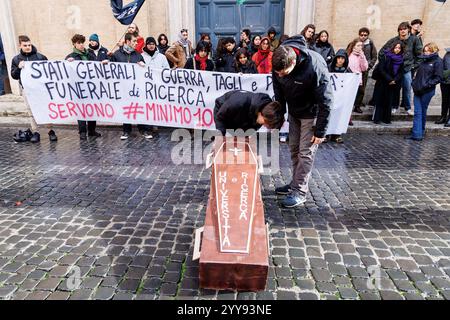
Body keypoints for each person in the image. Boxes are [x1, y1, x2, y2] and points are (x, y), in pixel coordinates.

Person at [272, 35, 333, 208]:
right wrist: (280, 113)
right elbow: (278, 88)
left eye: (283, 73)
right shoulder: (278, 59)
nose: (279, 76)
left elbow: (326, 100)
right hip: (294, 111)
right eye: (278, 73)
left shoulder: (315, 65)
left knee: (305, 153)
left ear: (293, 63)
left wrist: (320, 130)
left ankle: (299, 191)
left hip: (310, 113)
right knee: (293, 148)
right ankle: (294, 183)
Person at [11, 35, 58, 143]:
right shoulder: (16, 59)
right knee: (31, 111)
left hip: (41, 89)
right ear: (20, 45)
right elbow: (14, 75)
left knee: (45, 109)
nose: (28, 47)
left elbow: (49, 72)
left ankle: (51, 131)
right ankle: (36, 132)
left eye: (29, 45)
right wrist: (19, 68)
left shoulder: (40, 57)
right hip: (27, 90)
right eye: (25, 45)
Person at [110, 33, 152, 140]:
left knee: (139, 108)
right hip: (123, 87)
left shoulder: (138, 55)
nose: (136, 43)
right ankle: (126, 131)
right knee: (125, 108)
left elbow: (144, 71)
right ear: (128, 42)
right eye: (134, 41)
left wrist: (143, 65)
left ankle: (143, 130)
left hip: (136, 88)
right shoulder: (117, 54)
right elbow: (111, 70)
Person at [379, 22, 423, 115]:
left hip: (407, 68)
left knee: (407, 88)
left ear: (408, 29)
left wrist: (413, 66)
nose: (402, 31)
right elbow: (382, 52)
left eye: (404, 29)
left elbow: (420, 56)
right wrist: (387, 64)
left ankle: (407, 108)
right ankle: (394, 106)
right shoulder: (394, 40)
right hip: (395, 69)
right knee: (395, 87)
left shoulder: (414, 39)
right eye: (400, 29)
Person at [66, 34, 103, 140]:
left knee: (91, 108)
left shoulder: (90, 55)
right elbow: (65, 71)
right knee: (81, 110)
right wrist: (68, 63)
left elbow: (96, 66)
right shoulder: (71, 56)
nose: (81, 45)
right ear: (74, 44)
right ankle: (82, 131)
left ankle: (92, 130)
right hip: (78, 88)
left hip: (91, 87)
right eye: (78, 43)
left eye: (82, 42)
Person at [405, 43, 443, 141]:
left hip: (427, 91)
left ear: (434, 50)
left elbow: (438, 77)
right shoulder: (423, 60)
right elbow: (418, 74)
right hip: (418, 90)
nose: (426, 52)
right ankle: (420, 132)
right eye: (425, 50)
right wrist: (414, 83)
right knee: (421, 112)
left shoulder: (438, 61)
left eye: (428, 50)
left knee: (418, 112)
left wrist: (426, 85)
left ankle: (416, 135)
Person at [214, 91, 284, 136]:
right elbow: (220, 118)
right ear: (260, 113)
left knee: (241, 143)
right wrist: (220, 136)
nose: (265, 126)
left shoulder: (265, 111)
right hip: (223, 111)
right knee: (221, 141)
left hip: (243, 118)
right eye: (265, 122)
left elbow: (249, 130)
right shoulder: (238, 103)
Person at [373, 41, 404, 125]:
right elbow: (381, 69)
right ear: (393, 48)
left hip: (393, 83)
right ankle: (377, 119)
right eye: (396, 47)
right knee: (380, 101)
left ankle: (386, 119)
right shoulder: (385, 56)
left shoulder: (401, 59)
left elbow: (401, 72)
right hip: (383, 82)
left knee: (389, 101)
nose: (397, 49)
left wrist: (395, 80)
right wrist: (389, 79)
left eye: (399, 48)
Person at [326, 49, 351, 144]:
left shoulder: (347, 70)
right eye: (339, 58)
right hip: (330, 95)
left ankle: (336, 134)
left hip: (341, 97)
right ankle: (326, 133)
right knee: (328, 114)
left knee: (339, 116)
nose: (340, 60)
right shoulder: (329, 68)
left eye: (343, 58)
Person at [356, 27, 378, 108]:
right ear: (359, 35)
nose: (363, 37)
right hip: (356, 69)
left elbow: (374, 56)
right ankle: (355, 103)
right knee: (355, 87)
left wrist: (369, 66)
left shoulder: (370, 43)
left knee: (362, 88)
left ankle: (358, 104)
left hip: (365, 69)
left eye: (365, 35)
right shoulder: (355, 42)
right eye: (361, 35)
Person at [347, 39, 369, 114]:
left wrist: (362, 57)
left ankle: (357, 106)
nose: (360, 47)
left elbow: (364, 68)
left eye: (361, 46)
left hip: (358, 77)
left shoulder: (361, 55)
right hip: (350, 77)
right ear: (354, 46)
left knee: (360, 92)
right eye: (358, 45)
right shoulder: (349, 54)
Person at [440, 48, 450, 127]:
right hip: (445, 82)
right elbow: (442, 67)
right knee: (445, 100)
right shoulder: (447, 54)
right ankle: (443, 117)